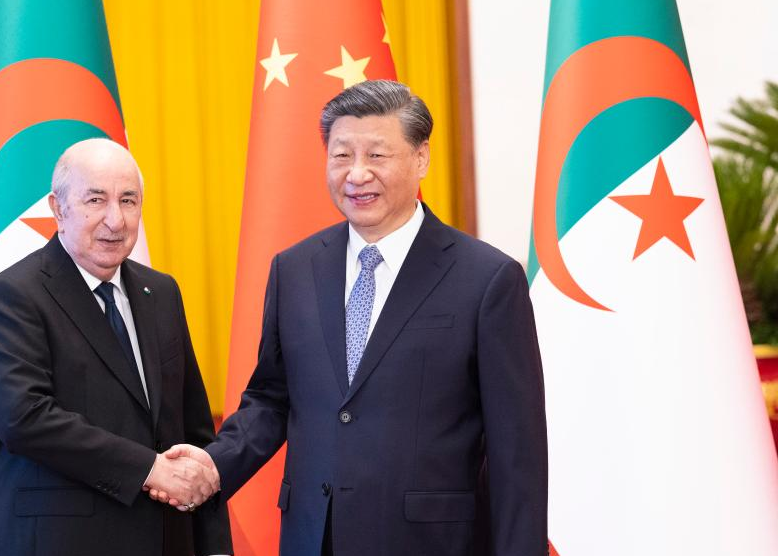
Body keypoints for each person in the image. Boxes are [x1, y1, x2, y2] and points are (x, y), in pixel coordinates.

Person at [154, 80, 548, 555]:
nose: (357, 174)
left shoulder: (487, 280)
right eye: (342, 156)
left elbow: (517, 454)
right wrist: (214, 466)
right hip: (313, 538)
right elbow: (271, 399)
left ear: (421, 158)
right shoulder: (294, 269)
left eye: (377, 156)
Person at [0, 138, 232, 556]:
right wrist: (150, 470)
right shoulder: (11, 297)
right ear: (58, 208)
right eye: (96, 200)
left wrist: (214, 544)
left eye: (129, 201)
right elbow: (24, 419)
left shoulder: (160, 291)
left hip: (165, 540)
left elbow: (192, 428)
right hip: (60, 542)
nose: (116, 220)